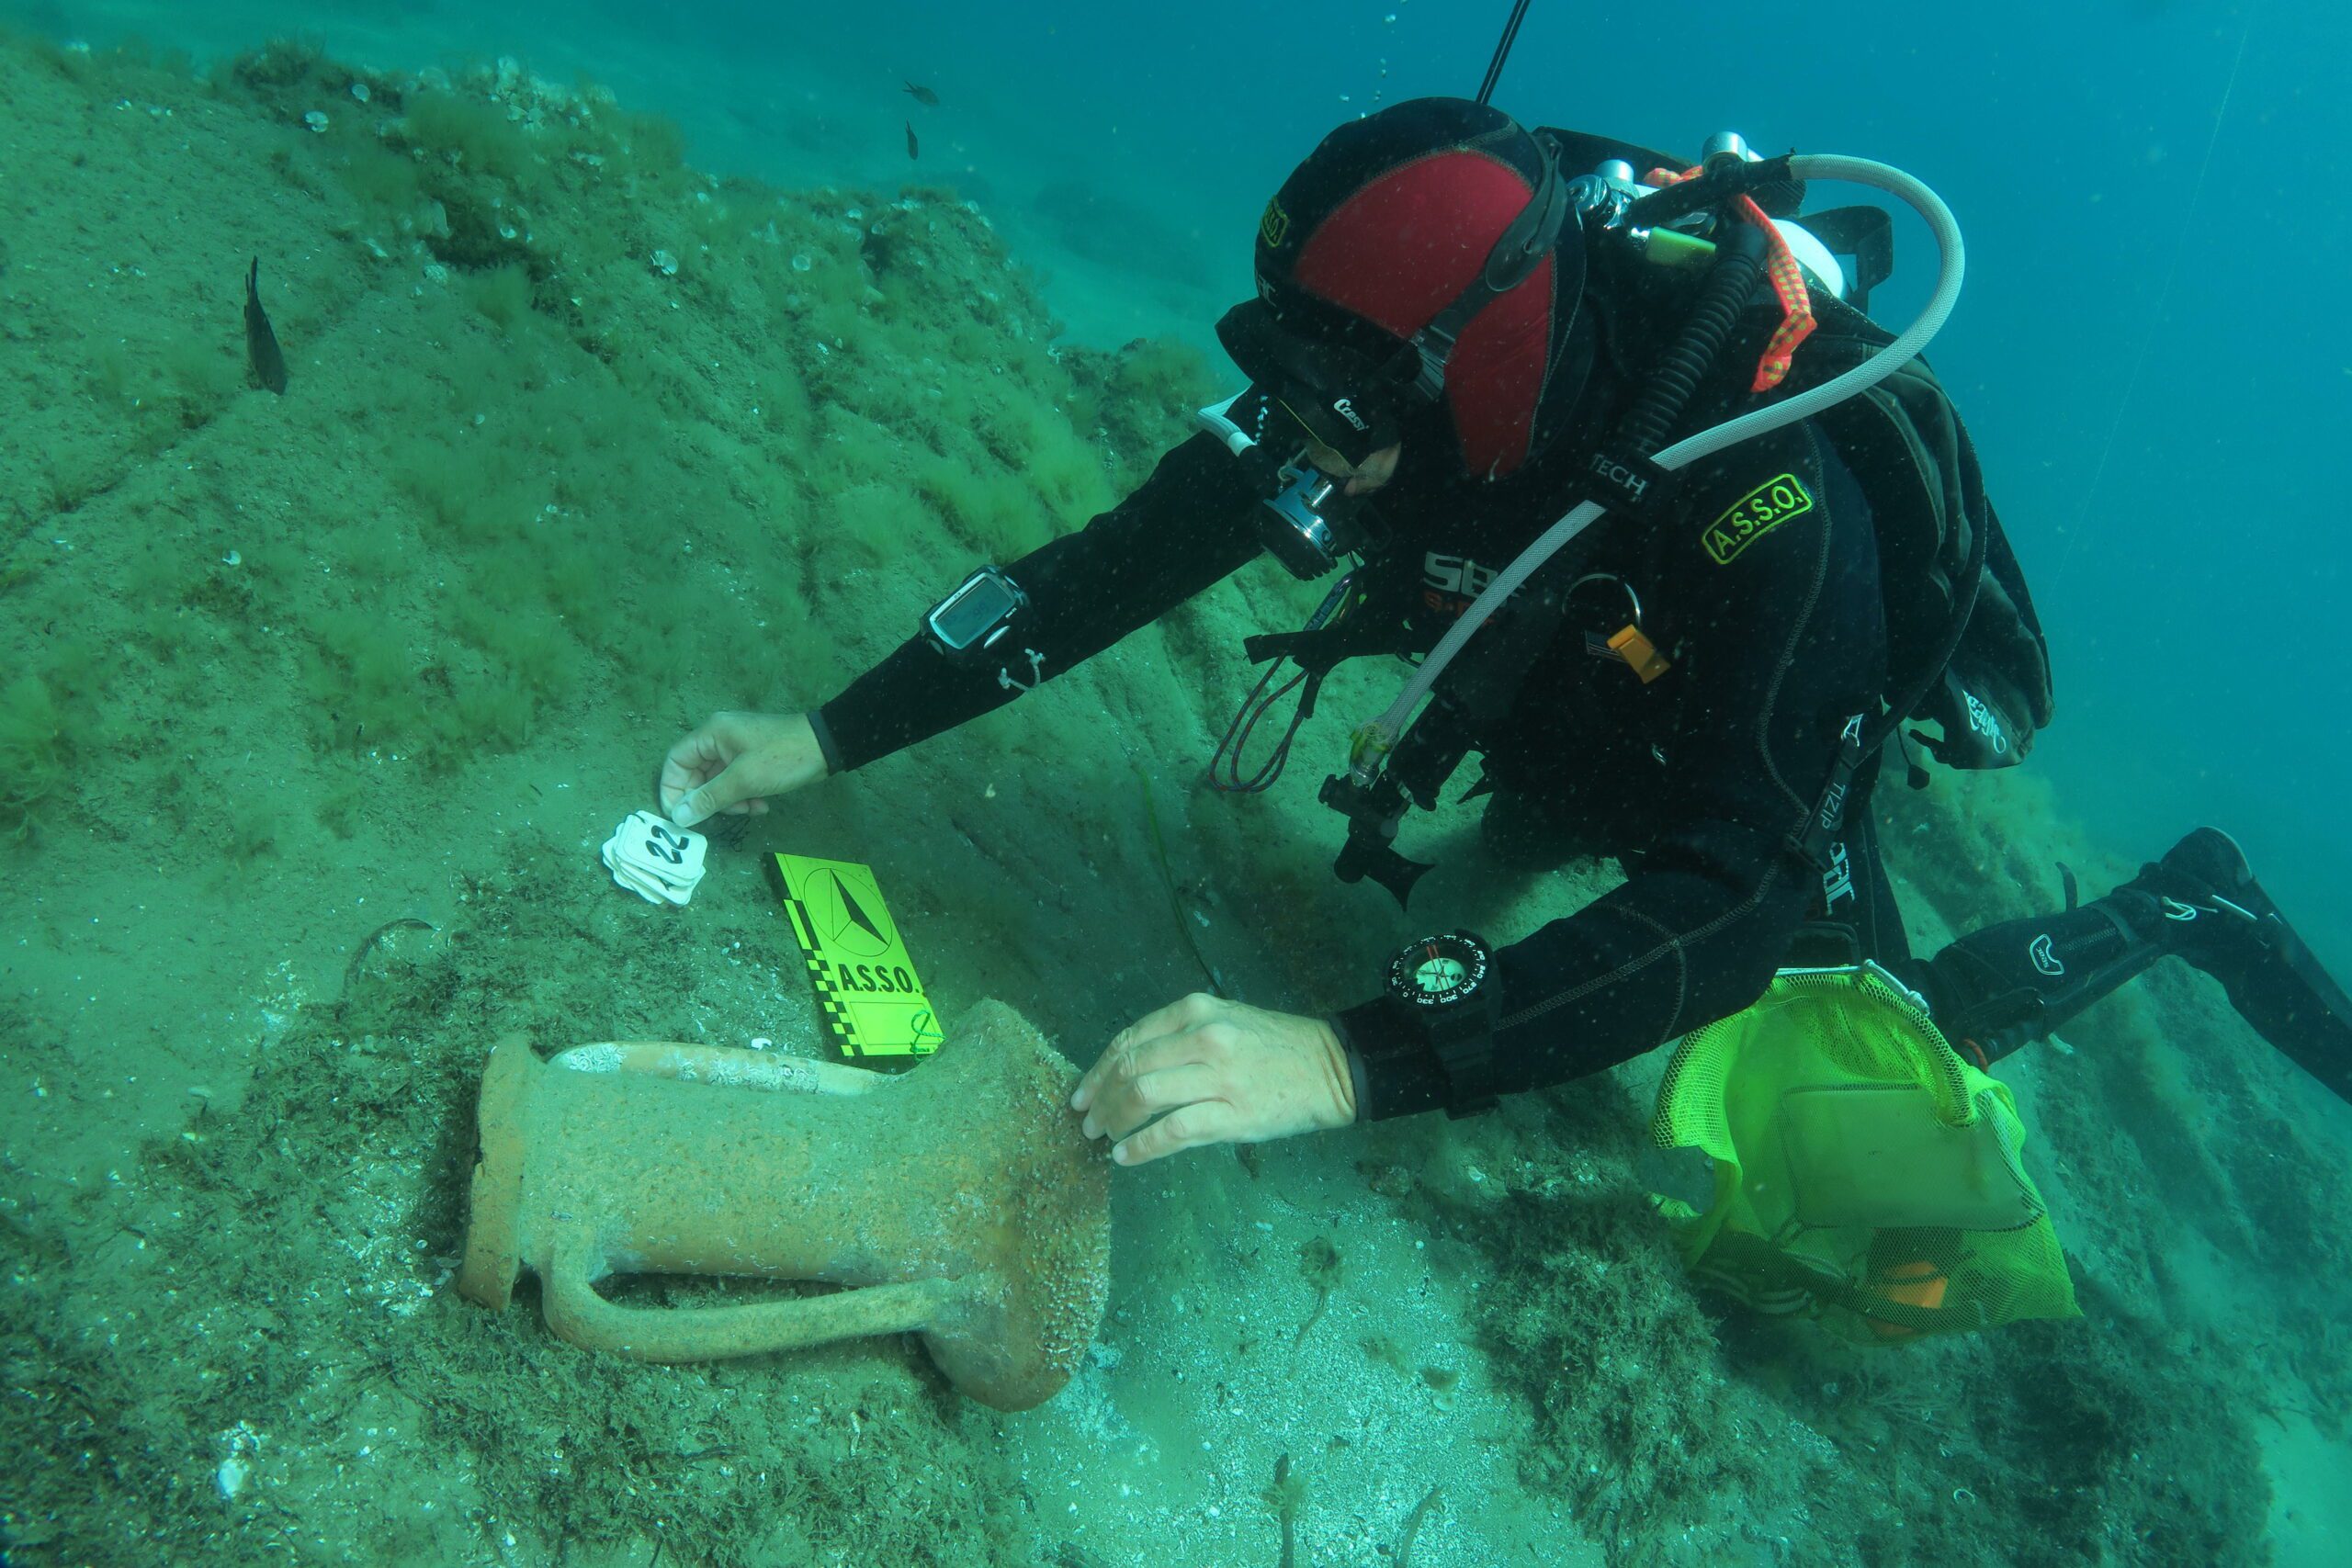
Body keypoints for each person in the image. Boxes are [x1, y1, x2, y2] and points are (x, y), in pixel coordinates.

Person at [657, 99, 2349, 1179]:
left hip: (1733, 732)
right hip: (1559, 669)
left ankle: (2186, 899)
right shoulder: (1373, 388)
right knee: (1537, 797)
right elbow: (1121, 563)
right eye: (1284, 388)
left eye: (1334, 412)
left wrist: (1350, 1060)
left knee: (1870, 1068)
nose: (1294, 446)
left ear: (1466, 376)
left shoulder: (1767, 505)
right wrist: (830, 734)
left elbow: (1743, 896)